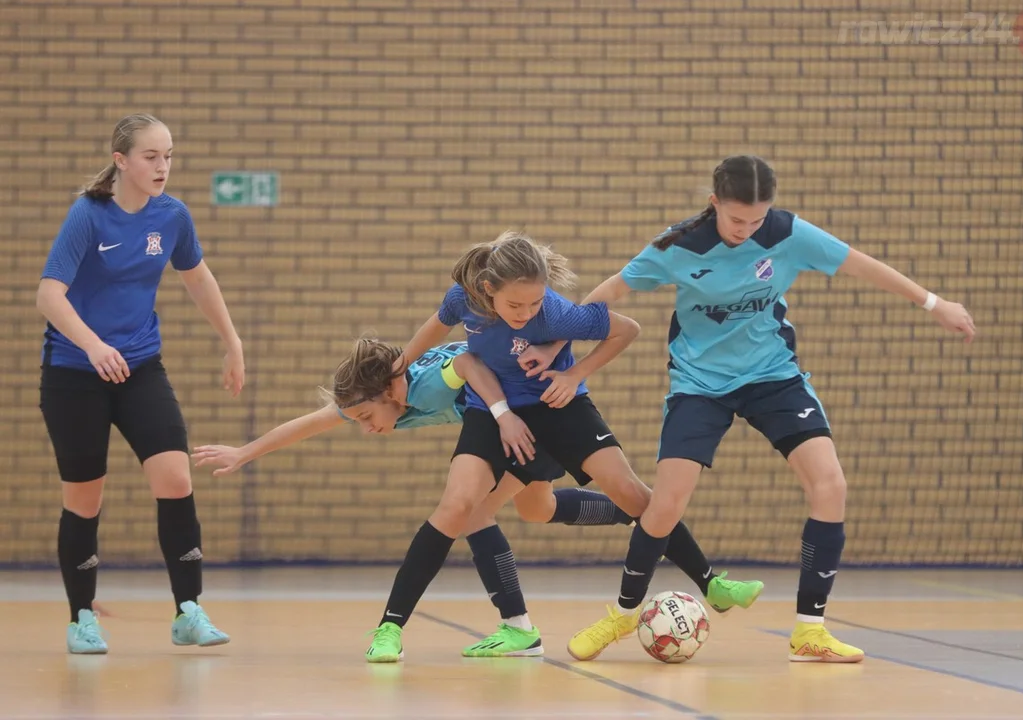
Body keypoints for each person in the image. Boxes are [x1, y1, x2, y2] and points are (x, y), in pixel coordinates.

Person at [550, 154, 976, 663]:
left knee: (830, 485)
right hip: (700, 383)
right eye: (736, 220)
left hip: (774, 377)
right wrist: (561, 355)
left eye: (756, 219)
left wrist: (935, 304)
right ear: (714, 204)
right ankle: (620, 617)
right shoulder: (678, 244)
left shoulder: (789, 234)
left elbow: (865, 266)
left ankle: (809, 631)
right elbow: (607, 293)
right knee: (665, 504)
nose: (746, 230)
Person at [364, 231, 764, 664]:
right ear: (487, 290)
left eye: (534, 303)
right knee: (459, 505)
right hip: (492, 410)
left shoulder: (555, 313)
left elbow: (627, 329)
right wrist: (399, 368)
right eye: (515, 305)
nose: (526, 313)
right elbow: (435, 325)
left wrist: (574, 376)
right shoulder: (465, 299)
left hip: (557, 404)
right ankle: (390, 627)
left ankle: (712, 585)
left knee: (632, 493)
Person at [192, 336, 639, 657]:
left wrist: (501, 415)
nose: (366, 429)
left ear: (389, 391)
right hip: (512, 423)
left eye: (368, 417)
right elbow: (308, 423)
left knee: (470, 513)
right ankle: (630, 514)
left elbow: (465, 362)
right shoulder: (368, 397)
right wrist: (245, 452)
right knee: (536, 509)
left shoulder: (426, 384)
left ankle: (511, 627)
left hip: (526, 419)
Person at [36, 113, 244, 654]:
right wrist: (92, 344)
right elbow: (49, 295)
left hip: (139, 368)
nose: (163, 167)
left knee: (176, 478)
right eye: (151, 157)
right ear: (121, 160)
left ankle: (188, 612)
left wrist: (232, 341)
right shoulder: (89, 215)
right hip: (74, 373)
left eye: (169, 156)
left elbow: (197, 276)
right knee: (85, 499)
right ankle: (82, 618)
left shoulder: (171, 217)